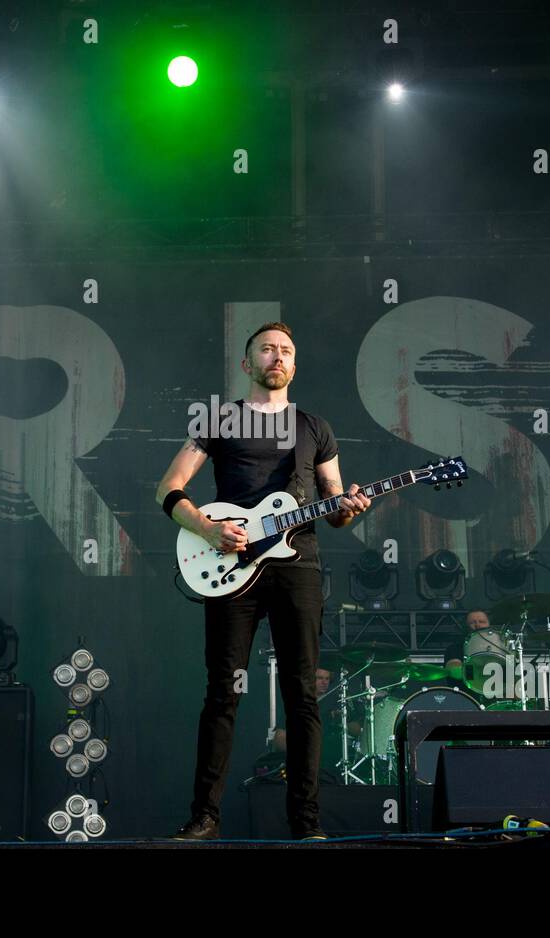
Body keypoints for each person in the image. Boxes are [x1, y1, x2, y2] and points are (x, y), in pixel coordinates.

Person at [155, 322, 372, 841]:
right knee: (222, 693)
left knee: (302, 695)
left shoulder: (315, 427)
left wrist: (350, 509)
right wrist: (208, 527)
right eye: (268, 350)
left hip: (298, 565)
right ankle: (205, 817)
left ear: (294, 365)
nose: (278, 357)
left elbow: (334, 504)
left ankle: (306, 822)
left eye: (287, 351)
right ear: (247, 363)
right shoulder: (220, 419)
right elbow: (169, 487)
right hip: (232, 566)